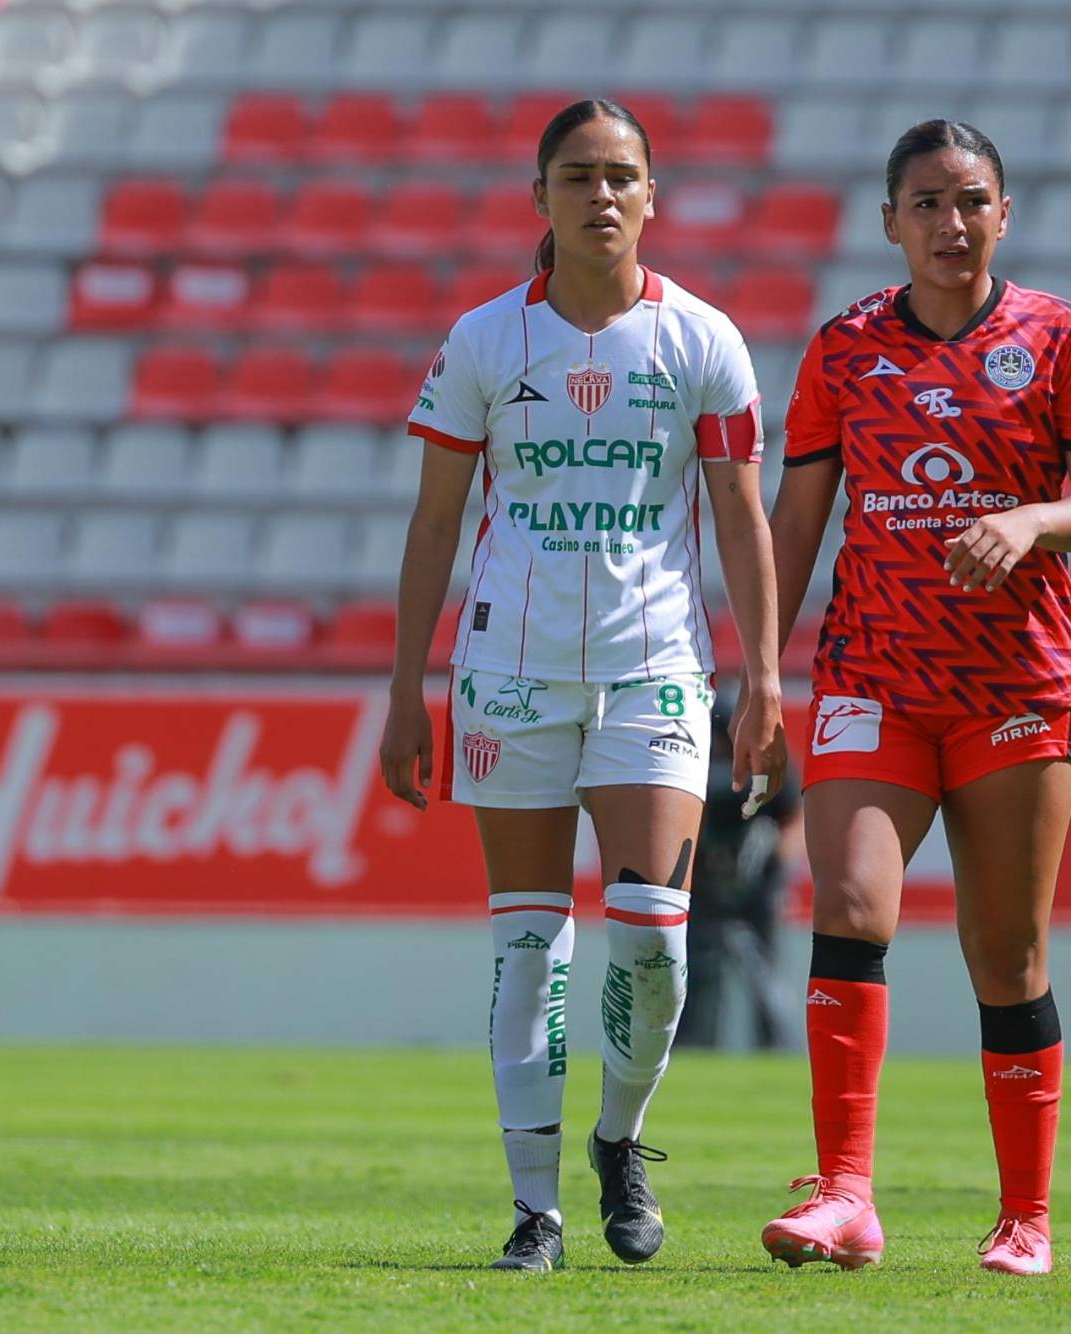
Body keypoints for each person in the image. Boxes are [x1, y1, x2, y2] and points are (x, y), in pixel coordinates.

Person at [375, 98, 787, 1273]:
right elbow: (436, 521)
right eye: (576, 176)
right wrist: (408, 686)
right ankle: (533, 1206)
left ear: (652, 197)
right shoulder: (484, 341)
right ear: (539, 198)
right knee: (529, 946)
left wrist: (761, 678)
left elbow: (739, 517)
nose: (599, 195)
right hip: (506, 671)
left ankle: (619, 1137)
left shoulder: (701, 339)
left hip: (656, 670)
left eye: (620, 176)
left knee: (654, 937)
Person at [756, 119, 1071, 1277]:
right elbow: (799, 521)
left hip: (1013, 684)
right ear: (889, 222)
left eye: (969, 200)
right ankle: (845, 1194)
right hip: (872, 674)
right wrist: (761, 669)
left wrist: (1030, 517)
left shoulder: (1057, 334)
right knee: (851, 906)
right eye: (925, 202)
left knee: (1004, 951)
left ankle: (1026, 1215)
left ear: (1001, 215)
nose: (948, 222)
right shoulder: (843, 347)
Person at [678, 684, 803, 1051]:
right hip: (705, 877)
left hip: (758, 879)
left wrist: (779, 858)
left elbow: (795, 816)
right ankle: (692, 1046)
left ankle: (772, 1048)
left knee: (763, 972)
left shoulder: (767, 757)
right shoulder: (693, 760)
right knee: (698, 969)